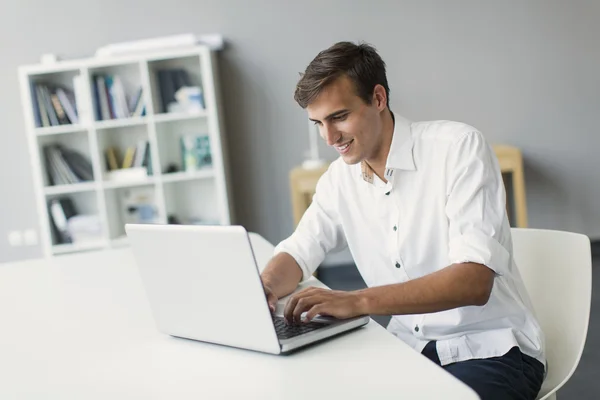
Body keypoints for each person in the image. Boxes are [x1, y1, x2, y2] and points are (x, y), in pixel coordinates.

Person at [260, 41, 545, 400]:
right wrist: (266, 287)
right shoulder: (338, 180)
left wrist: (357, 301)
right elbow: (300, 251)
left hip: (492, 351)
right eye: (318, 123)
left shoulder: (457, 147)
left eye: (339, 117)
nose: (329, 138)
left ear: (378, 99)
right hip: (408, 349)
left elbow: (474, 281)